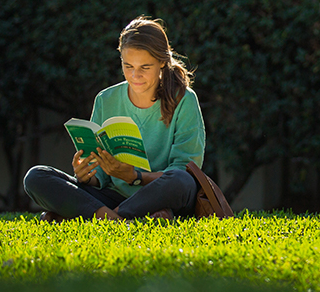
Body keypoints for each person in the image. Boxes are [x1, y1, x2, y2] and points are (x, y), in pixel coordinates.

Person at [24, 16, 205, 221]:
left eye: (144, 67)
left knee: (182, 180)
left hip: (163, 195)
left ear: (162, 62)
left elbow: (186, 170)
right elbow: (101, 172)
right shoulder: (106, 99)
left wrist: (136, 178)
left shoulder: (184, 99)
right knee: (36, 176)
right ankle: (120, 218)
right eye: (128, 66)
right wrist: (87, 175)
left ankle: (95, 216)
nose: (135, 75)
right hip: (113, 197)